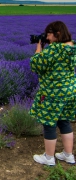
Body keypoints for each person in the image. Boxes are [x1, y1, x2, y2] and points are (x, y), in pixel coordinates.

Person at [29, 21, 76, 166]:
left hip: (53, 93)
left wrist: (39, 48)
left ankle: (49, 158)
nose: (47, 37)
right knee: (64, 121)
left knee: (49, 123)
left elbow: (36, 64)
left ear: (58, 34)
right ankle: (68, 155)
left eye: (49, 34)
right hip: (69, 90)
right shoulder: (72, 48)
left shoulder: (54, 50)